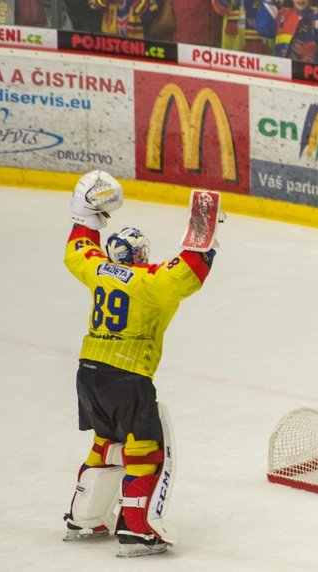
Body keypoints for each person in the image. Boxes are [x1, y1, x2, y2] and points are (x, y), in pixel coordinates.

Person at [62, 171, 217, 558]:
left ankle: (85, 517)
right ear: (142, 254)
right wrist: (204, 233)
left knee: (104, 443)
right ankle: (137, 531)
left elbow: (77, 252)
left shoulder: (98, 271)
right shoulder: (150, 282)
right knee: (144, 451)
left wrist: (86, 216)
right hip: (128, 377)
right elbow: (187, 271)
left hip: (89, 373)